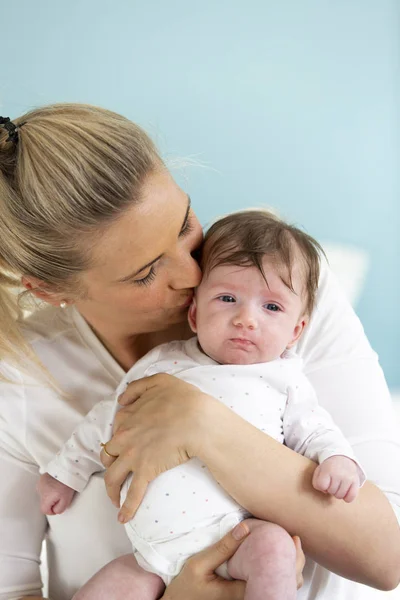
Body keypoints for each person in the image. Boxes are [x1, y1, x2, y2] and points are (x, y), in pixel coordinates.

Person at [0, 104, 399, 600]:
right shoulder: (18, 382)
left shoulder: (280, 288)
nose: (194, 276)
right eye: (145, 272)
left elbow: (387, 555)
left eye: (186, 224)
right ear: (50, 291)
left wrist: (201, 422)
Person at [37, 209, 365, 600]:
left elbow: (315, 429)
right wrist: (65, 472)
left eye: (271, 307)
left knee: (275, 550)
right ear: (194, 313)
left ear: (296, 331)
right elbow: (108, 418)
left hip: (237, 532)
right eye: (228, 298)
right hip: (150, 555)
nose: (246, 319)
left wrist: (338, 460)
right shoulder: (164, 364)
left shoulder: (286, 380)